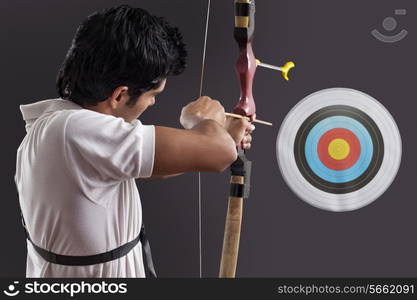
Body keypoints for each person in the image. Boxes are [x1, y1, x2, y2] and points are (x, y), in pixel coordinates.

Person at [14, 5, 254, 278]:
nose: (152, 103)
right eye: (153, 94)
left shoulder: (63, 124)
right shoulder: (76, 131)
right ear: (119, 95)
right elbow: (219, 153)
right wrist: (200, 121)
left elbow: (159, 163)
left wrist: (220, 137)